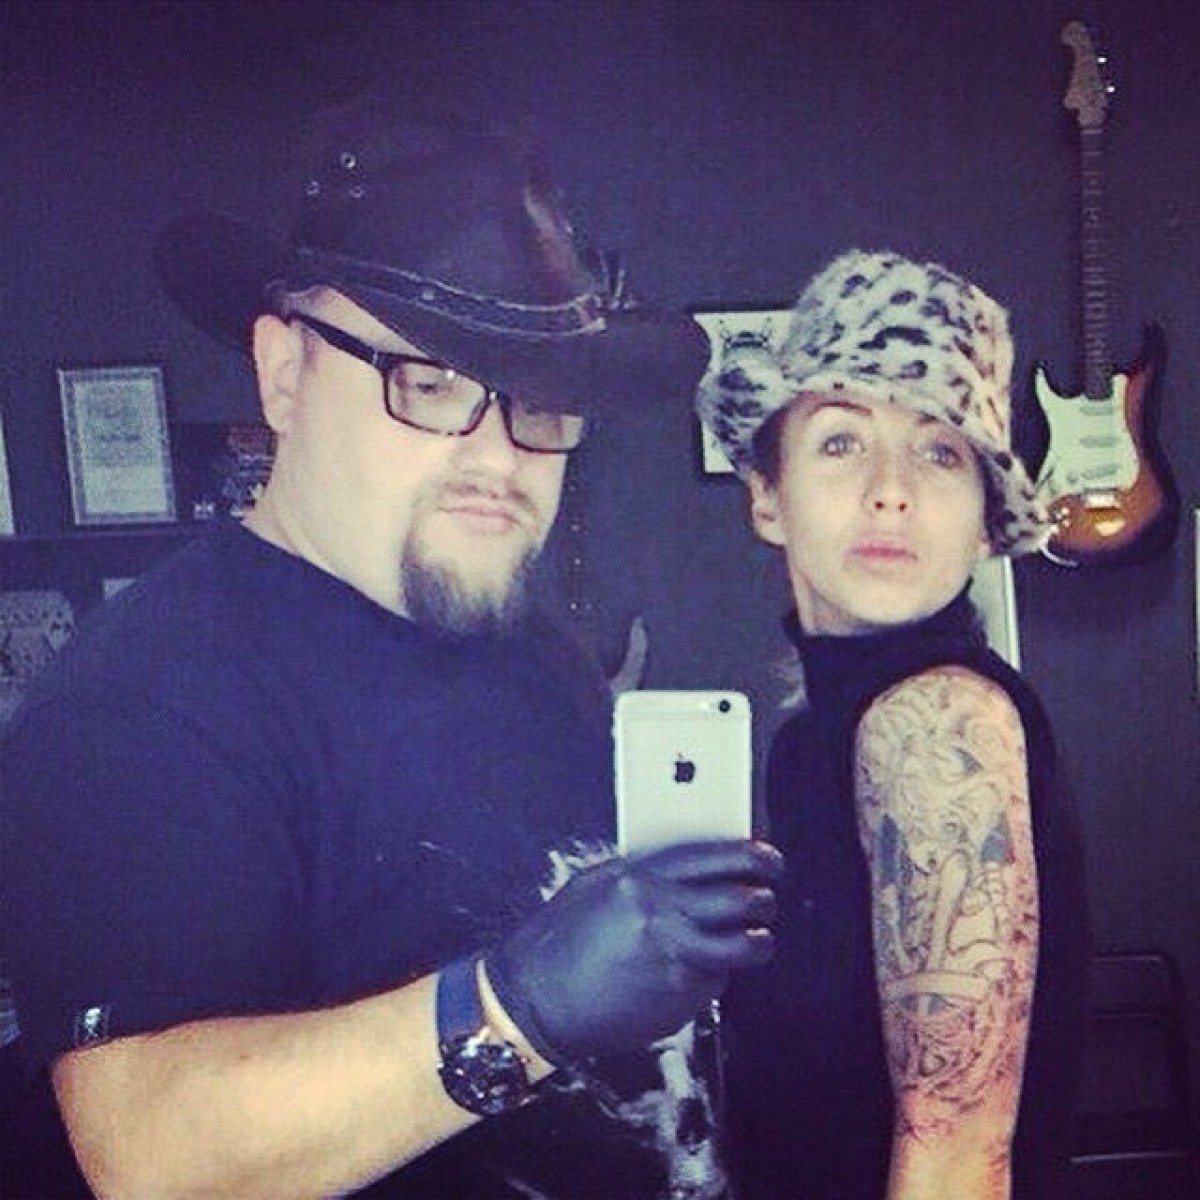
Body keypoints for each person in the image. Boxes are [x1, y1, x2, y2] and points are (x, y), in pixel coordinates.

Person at [0, 97, 784, 1200]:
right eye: (430, 382)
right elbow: (155, 1154)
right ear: (284, 372)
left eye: (539, 401)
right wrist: (515, 1008)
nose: (498, 458)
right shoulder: (141, 704)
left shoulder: (531, 653)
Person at [697, 249, 1090, 1200]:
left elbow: (956, 1155)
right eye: (841, 441)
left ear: (984, 523)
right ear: (768, 495)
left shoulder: (936, 718)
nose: (890, 488)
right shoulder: (812, 738)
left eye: (940, 450)